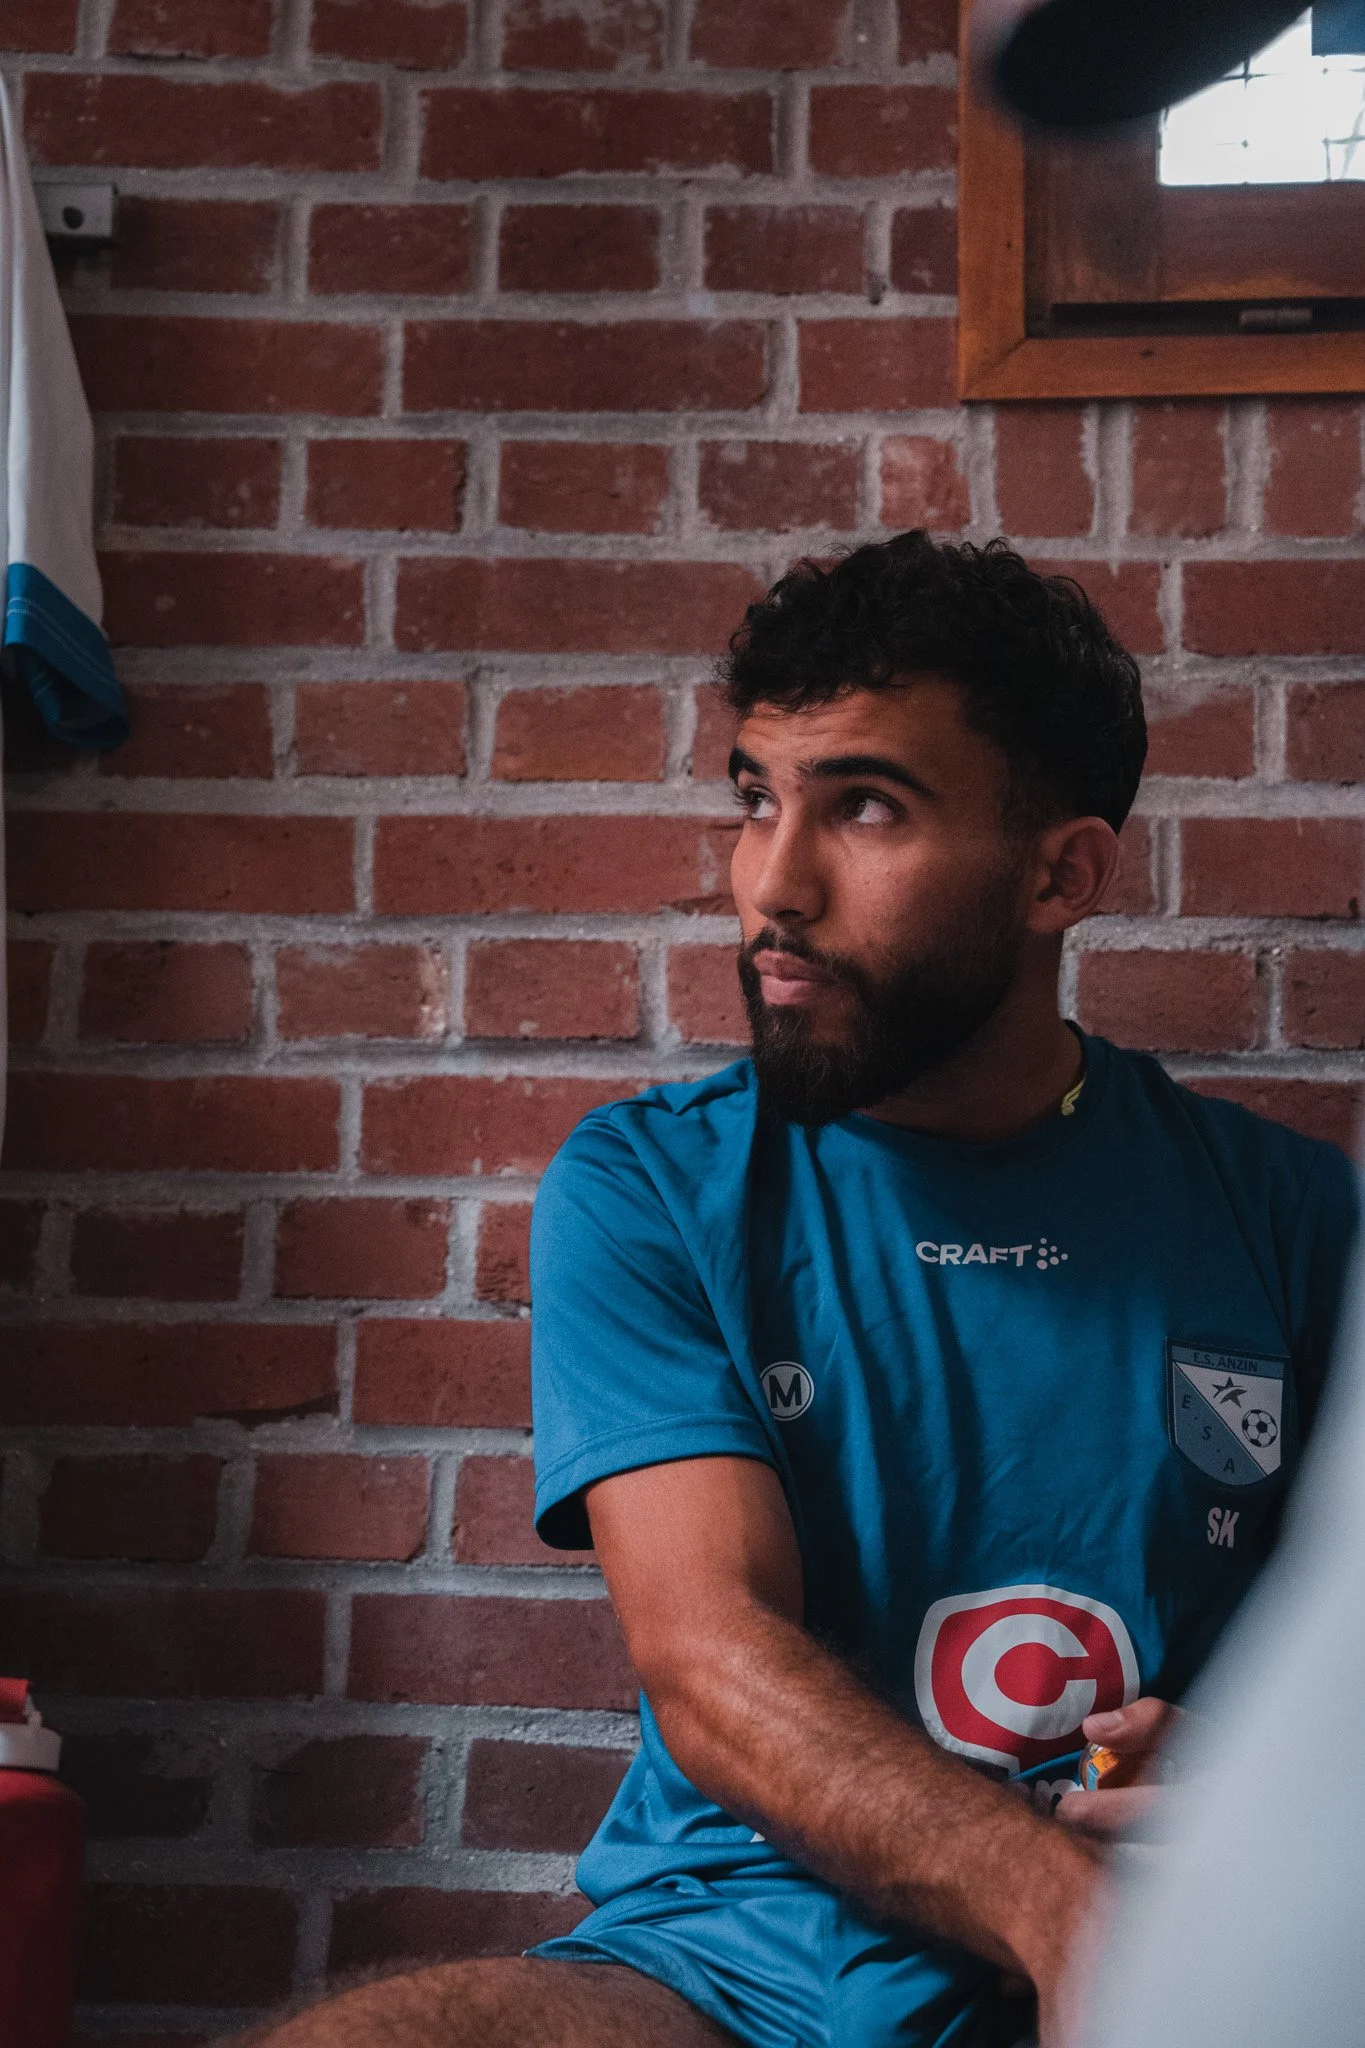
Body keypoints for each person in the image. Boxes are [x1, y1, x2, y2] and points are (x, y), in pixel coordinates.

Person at [241, 534, 1358, 2048]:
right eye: (756, 799)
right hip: (731, 1962)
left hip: (1174, 1961)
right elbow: (710, 1660)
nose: (772, 885)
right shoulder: (652, 1187)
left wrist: (1259, 1794)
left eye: (866, 808)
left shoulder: (1293, 1221)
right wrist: (1047, 1902)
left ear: (1063, 872)